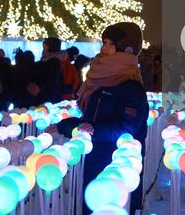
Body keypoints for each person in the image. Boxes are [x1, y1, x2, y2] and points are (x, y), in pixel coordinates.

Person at [62, 23, 148, 215]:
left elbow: (128, 129)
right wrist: (65, 126)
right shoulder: (99, 82)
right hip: (94, 160)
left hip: (115, 169)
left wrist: (93, 129)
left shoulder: (130, 87)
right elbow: (90, 119)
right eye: (104, 42)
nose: (103, 49)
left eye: (110, 44)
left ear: (126, 49)